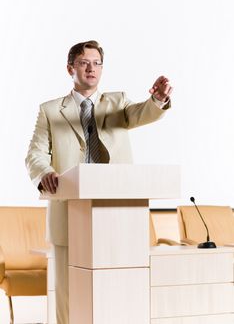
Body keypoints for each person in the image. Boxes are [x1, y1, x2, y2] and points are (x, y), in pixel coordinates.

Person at [25, 40, 173, 324]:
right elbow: (35, 153)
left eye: (97, 63)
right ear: (71, 68)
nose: (91, 68)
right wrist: (45, 172)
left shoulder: (117, 103)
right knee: (69, 298)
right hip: (70, 213)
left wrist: (157, 100)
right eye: (84, 63)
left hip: (116, 216)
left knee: (117, 293)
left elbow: (142, 113)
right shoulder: (50, 110)